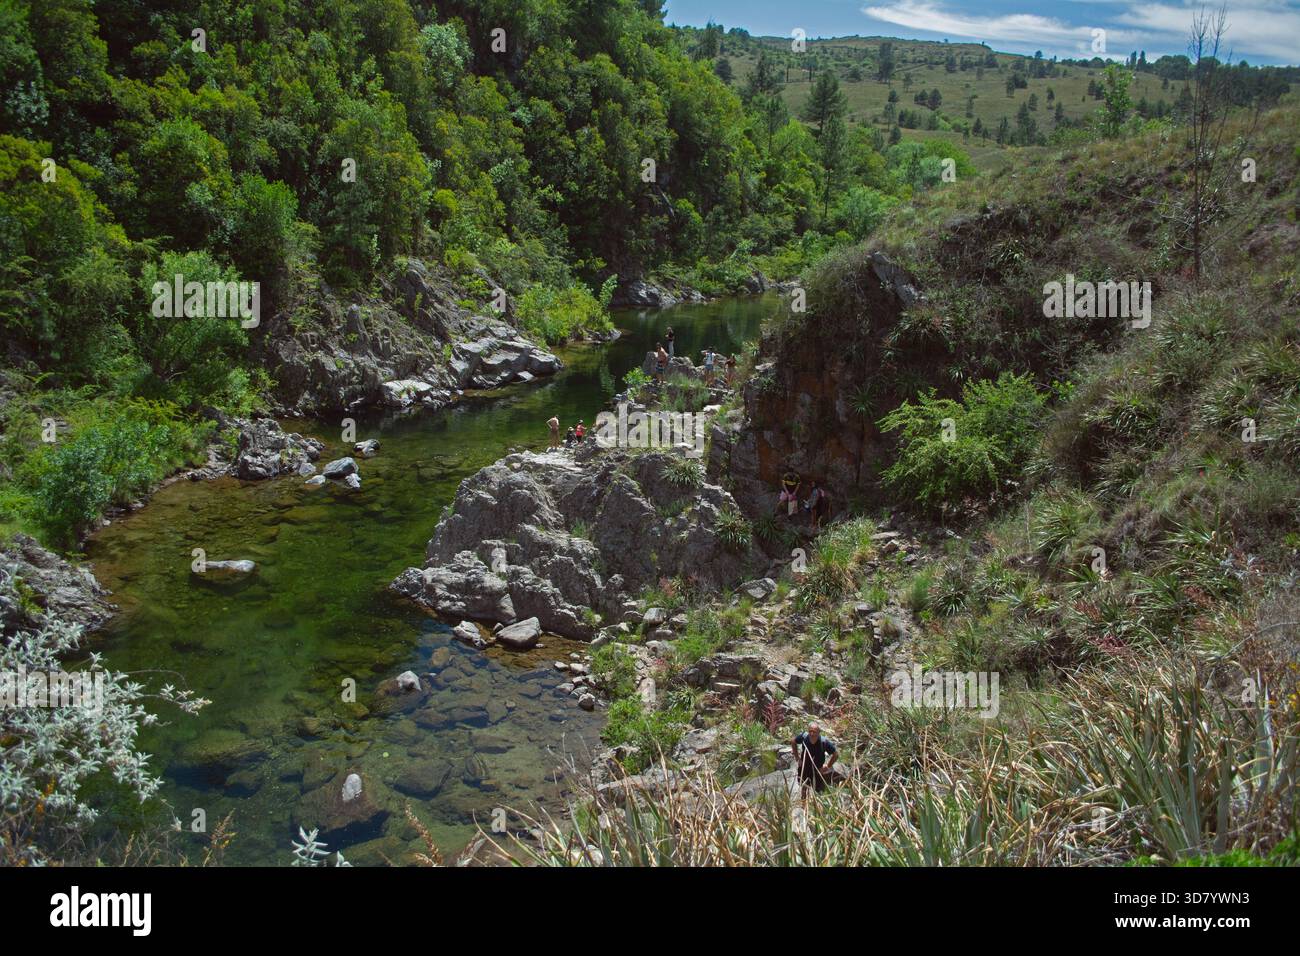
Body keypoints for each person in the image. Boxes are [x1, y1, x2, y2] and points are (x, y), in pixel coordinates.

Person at [792, 722, 837, 794]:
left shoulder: (824, 742)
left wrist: (828, 766)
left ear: (819, 732)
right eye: (810, 731)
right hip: (804, 767)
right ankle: (804, 803)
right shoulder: (804, 737)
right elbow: (793, 741)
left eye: (814, 732)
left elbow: (835, 754)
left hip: (817, 770)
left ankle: (816, 804)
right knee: (804, 787)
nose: (812, 734)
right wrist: (797, 758)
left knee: (818, 791)